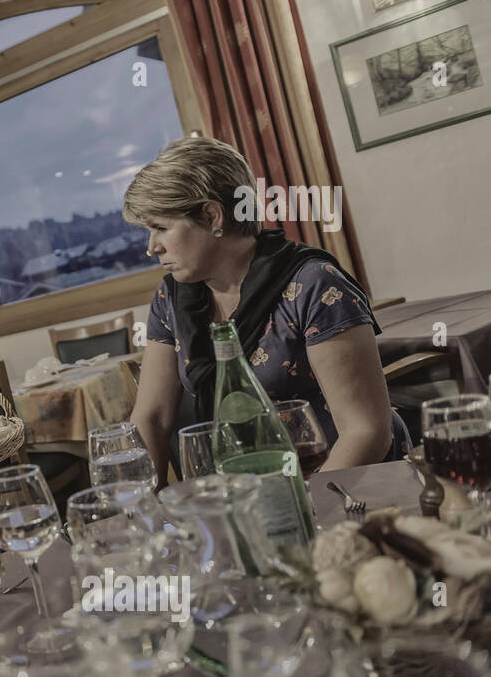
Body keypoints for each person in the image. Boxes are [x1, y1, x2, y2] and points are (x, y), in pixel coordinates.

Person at [124, 137, 410, 483]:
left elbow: (366, 431)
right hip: (248, 486)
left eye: (160, 228)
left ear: (212, 216)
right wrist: (142, 510)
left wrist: (302, 507)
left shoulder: (315, 284)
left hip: (345, 482)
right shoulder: (170, 299)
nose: (151, 247)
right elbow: (151, 418)